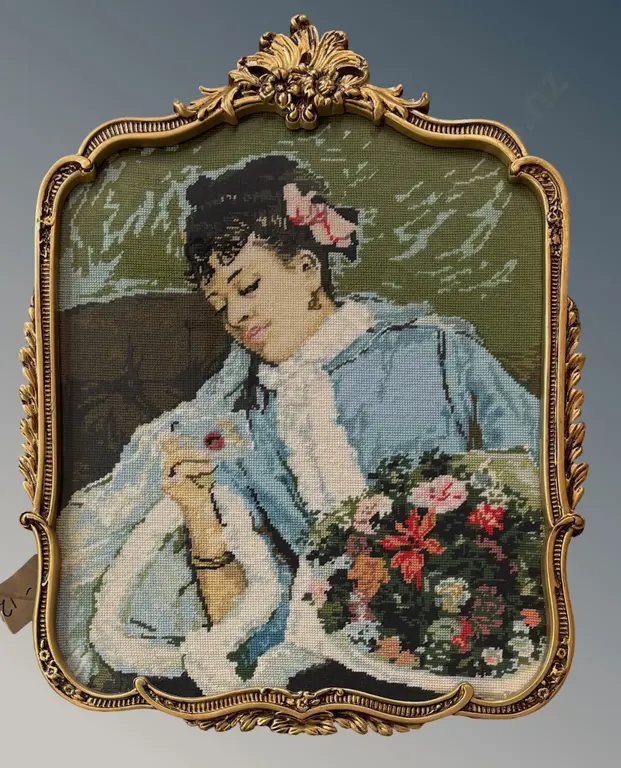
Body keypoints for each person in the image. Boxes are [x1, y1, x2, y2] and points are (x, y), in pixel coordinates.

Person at [56, 154, 540, 697]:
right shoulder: (241, 428)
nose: (235, 316)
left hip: (489, 626)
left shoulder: (436, 351)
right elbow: (250, 619)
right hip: (337, 660)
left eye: (248, 287)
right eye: (219, 305)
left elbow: (540, 487)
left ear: (307, 270)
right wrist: (199, 514)